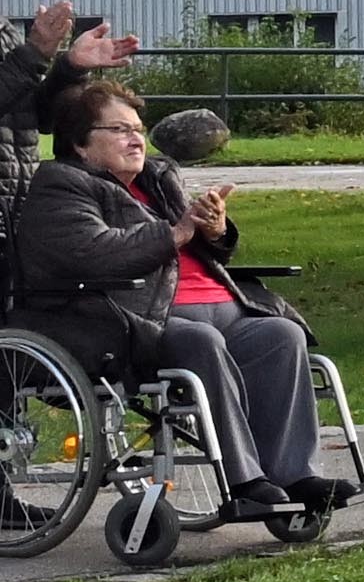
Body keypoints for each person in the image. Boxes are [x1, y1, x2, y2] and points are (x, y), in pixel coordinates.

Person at [11, 81, 333, 513]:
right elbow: (94, 253)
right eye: (119, 130)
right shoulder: (61, 185)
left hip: (220, 306)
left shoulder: (158, 178)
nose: (135, 139)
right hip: (134, 320)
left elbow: (204, 248)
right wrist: (175, 233)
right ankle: (246, 481)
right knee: (201, 341)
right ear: (80, 144)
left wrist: (215, 230)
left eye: (138, 129)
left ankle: (296, 475)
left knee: (280, 333)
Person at [0, 0, 138, 237]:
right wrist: (34, 54)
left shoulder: (5, 32)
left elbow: (38, 117)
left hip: (17, 211)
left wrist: (71, 69)